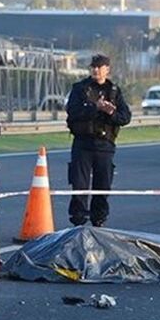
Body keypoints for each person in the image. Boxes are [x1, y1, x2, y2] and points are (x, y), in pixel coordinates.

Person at [65, 54, 131, 227]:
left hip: (105, 145)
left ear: (107, 70)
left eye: (100, 67)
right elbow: (73, 112)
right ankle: (78, 220)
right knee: (80, 185)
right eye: (93, 67)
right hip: (83, 144)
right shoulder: (80, 88)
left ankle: (99, 219)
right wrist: (95, 108)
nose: (96, 70)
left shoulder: (114, 91)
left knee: (103, 185)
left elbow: (125, 117)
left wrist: (111, 112)